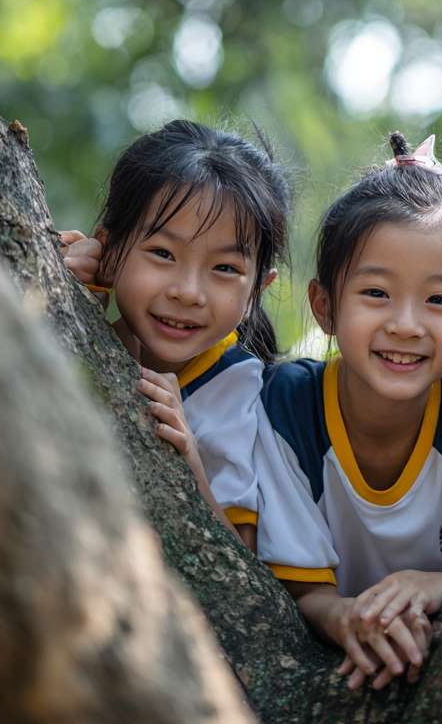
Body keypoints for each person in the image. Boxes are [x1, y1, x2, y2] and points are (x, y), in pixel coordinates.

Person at [253, 133, 442, 690]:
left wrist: (433, 586)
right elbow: (304, 590)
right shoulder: (286, 405)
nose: (406, 324)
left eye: (438, 300)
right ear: (324, 305)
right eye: (376, 293)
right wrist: (347, 619)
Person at [60, 119, 290, 551]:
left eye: (224, 268)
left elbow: (239, 562)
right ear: (108, 252)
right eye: (163, 254)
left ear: (257, 289)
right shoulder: (80, 317)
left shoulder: (238, 393)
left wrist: (190, 464)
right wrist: (59, 289)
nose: (187, 292)